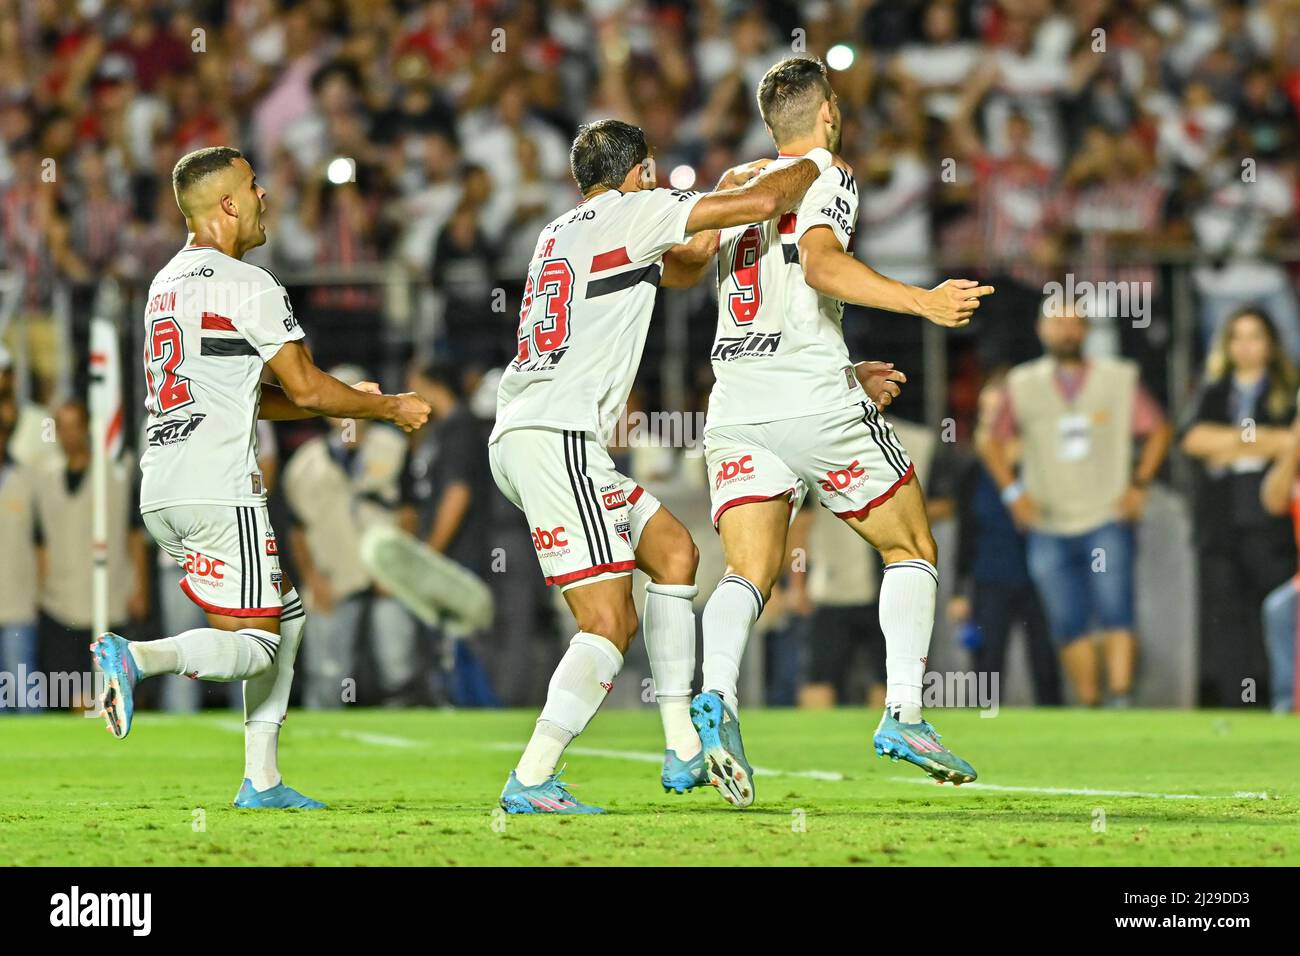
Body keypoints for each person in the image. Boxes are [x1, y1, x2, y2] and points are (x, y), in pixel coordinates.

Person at [490, 117, 846, 814]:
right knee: (606, 623)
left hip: (538, 431)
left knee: (675, 554)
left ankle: (682, 744)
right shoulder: (635, 210)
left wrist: (716, 191)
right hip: (556, 434)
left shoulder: (560, 230)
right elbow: (756, 210)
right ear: (641, 172)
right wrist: (811, 166)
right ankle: (532, 776)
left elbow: (684, 265)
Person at [89, 146, 430, 809]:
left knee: (289, 614)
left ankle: (263, 780)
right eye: (252, 186)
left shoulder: (166, 283)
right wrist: (385, 406)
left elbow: (254, 393)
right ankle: (138, 659)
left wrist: (338, 397)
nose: (265, 194)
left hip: (163, 483)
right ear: (226, 204)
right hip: (220, 483)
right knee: (257, 643)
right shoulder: (249, 282)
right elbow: (304, 387)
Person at [692, 57, 990, 806]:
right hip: (813, 404)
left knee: (746, 575)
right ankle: (904, 715)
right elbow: (821, 266)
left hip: (736, 403)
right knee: (911, 545)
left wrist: (845, 367)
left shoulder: (736, 185)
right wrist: (923, 303)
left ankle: (717, 696)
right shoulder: (829, 169)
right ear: (826, 110)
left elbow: (699, 273)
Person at [981, 302, 1172, 706]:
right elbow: (989, 440)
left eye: (1073, 322)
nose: (1066, 330)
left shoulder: (1118, 377)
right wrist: (1013, 493)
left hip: (1107, 511)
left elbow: (1158, 428)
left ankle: (1121, 698)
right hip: (1048, 519)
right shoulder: (1022, 382)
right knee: (1068, 620)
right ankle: (1090, 702)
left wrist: (1139, 484)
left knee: (1116, 610)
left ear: (1085, 330)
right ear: (1040, 329)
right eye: (1057, 322)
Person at [282, 364, 420, 709]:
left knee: (398, 667)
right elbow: (296, 529)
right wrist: (312, 578)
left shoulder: (392, 447)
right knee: (327, 672)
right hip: (333, 574)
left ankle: (400, 748)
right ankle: (321, 746)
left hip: (386, 572)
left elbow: (408, 511)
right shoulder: (305, 463)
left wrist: (397, 566)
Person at [1182, 307, 1297, 707]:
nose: (1246, 346)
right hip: (1221, 525)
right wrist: (1267, 441)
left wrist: (1227, 447)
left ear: (1270, 345)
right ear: (1227, 344)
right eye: (1238, 337)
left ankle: (1279, 700)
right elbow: (1194, 439)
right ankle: (1237, 704)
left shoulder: (1286, 390)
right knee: (1227, 624)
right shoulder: (1213, 389)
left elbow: (1293, 443)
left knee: (1276, 617)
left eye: (1256, 337)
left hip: (1273, 526)